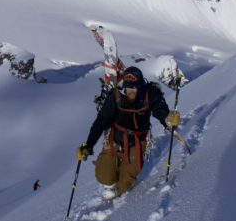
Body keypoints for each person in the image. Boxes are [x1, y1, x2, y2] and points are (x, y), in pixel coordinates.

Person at [76, 66, 180, 198]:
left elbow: (160, 110)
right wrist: (88, 145)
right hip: (114, 139)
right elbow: (101, 121)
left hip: (137, 142)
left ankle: (120, 189)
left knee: (125, 185)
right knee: (104, 176)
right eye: (128, 87)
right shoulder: (116, 95)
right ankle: (110, 184)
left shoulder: (150, 93)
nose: (131, 91)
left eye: (134, 87)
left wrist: (168, 119)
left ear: (140, 86)